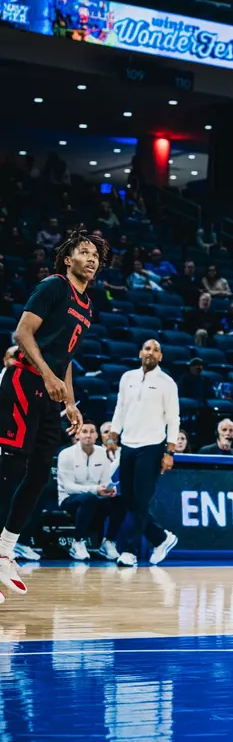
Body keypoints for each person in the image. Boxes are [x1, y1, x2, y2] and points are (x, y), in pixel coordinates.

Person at [0, 230, 107, 600]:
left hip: (50, 392)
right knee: (11, 469)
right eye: (84, 252)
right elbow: (22, 334)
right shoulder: (53, 286)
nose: (92, 258)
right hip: (24, 382)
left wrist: (71, 403)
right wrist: (47, 376)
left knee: (39, 474)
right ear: (68, 259)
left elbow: (68, 358)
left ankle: (5, 549)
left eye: (96, 254)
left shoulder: (88, 304)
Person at [107, 339, 180, 567]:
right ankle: (161, 538)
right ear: (140, 353)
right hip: (128, 444)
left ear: (161, 357)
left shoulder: (167, 383)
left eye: (156, 350)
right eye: (147, 348)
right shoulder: (127, 377)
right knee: (128, 500)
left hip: (152, 445)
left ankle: (129, 551)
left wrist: (170, 451)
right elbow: (120, 408)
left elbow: (173, 418)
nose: (151, 352)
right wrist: (112, 435)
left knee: (140, 500)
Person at [57, 421, 123, 561]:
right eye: (84, 431)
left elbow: (105, 480)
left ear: (96, 435)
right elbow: (68, 487)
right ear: (78, 435)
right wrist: (95, 489)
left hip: (95, 497)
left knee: (120, 500)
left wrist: (109, 489)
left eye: (92, 431)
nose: (88, 435)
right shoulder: (66, 454)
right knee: (89, 498)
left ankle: (108, 542)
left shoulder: (102, 453)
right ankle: (77, 542)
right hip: (69, 499)